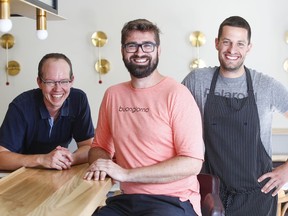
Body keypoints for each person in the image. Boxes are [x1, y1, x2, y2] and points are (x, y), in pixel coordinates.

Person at [83, 19, 204, 216]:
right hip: (127, 201)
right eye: (132, 46)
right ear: (123, 51)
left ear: (158, 50)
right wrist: (101, 163)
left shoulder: (177, 94)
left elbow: (192, 163)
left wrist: (126, 174)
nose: (139, 52)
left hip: (173, 201)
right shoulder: (113, 95)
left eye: (147, 45)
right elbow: (99, 147)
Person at [182, 16, 288, 216]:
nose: (232, 50)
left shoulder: (266, 86)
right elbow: (170, 121)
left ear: (249, 47)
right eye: (226, 42)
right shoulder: (197, 81)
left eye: (240, 43)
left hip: (257, 196)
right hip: (211, 194)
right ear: (216, 43)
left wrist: (286, 171)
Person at [0, 53, 94, 171]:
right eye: (50, 82)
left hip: (58, 173)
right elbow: (1, 157)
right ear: (39, 82)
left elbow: (88, 146)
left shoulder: (79, 99)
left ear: (72, 81)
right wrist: (42, 160)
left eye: (64, 81)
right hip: (21, 174)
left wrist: (68, 159)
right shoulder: (20, 106)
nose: (57, 88)